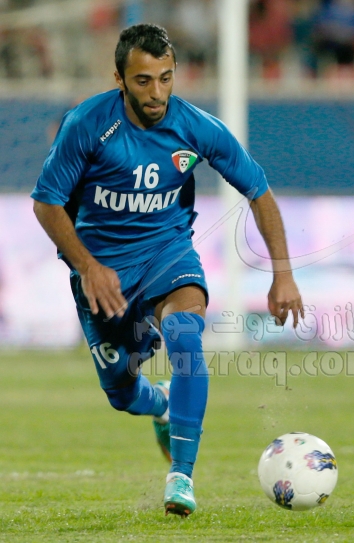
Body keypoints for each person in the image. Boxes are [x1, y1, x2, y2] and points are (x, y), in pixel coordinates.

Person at [31, 23, 303, 517]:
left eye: (165, 77)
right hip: (103, 274)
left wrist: (282, 274)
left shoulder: (196, 127)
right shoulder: (87, 125)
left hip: (167, 253)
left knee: (185, 336)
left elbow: (258, 191)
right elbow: (46, 204)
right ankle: (160, 403)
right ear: (119, 79)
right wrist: (87, 266)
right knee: (122, 394)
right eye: (143, 80)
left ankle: (181, 475)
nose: (156, 92)